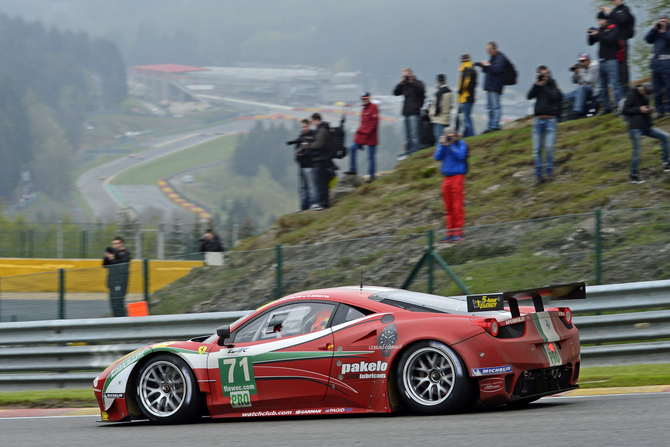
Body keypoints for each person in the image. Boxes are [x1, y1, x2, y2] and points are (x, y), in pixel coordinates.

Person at [622, 82, 670, 184]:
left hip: (646, 126)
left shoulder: (645, 95)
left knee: (665, 136)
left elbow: (644, 109)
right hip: (634, 128)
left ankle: (666, 162)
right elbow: (625, 110)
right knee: (637, 151)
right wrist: (639, 109)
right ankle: (633, 175)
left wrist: (649, 110)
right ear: (641, 89)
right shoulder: (631, 95)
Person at [527, 66, 563, 186]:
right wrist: (536, 84)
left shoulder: (553, 85)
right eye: (542, 74)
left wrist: (545, 85)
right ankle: (538, 176)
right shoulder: (538, 86)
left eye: (547, 74)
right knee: (537, 149)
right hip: (538, 121)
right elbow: (529, 96)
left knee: (549, 147)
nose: (545, 76)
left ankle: (549, 172)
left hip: (550, 121)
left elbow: (555, 96)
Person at [434, 130, 468, 243]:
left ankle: (458, 232)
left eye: (451, 134)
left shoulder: (461, 144)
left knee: (457, 206)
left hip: (457, 177)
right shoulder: (443, 144)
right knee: (448, 207)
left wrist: (452, 145)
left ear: (456, 134)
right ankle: (450, 232)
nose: (449, 137)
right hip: (446, 178)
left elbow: (461, 156)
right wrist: (443, 145)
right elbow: (437, 157)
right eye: (447, 135)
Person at [588, 11, 624, 116]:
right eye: (598, 20)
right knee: (603, 87)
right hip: (601, 61)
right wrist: (590, 34)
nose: (600, 22)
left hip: (612, 60)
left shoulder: (613, 28)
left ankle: (619, 106)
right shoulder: (599, 30)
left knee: (615, 84)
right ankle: (607, 107)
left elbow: (609, 40)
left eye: (601, 20)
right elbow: (590, 43)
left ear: (606, 20)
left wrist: (598, 34)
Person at [601, 0, 635, 93]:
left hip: (623, 40)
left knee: (623, 63)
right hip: (614, 42)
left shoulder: (625, 9)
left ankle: (626, 87)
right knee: (616, 65)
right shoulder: (614, 11)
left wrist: (611, 12)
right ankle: (620, 88)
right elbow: (610, 24)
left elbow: (622, 20)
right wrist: (602, 15)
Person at [344, 92, 379, 182]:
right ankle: (353, 169)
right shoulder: (364, 108)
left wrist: (364, 132)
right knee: (352, 148)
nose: (364, 100)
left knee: (371, 157)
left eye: (366, 98)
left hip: (371, 136)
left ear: (369, 98)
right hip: (363, 135)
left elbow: (374, 123)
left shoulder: (374, 107)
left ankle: (372, 176)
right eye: (363, 99)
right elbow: (364, 123)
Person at [393, 68, 425, 159]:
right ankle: (409, 151)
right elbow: (395, 93)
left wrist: (412, 82)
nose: (405, 77)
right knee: (408, 135)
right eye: (404, 75)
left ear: (411, 75)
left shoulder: (418, 83)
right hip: (406, 112)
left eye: (406, 75)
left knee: (414, 134)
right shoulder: (404, 85)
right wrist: (401, 83)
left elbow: (421, 90)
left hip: (414, 112)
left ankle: (415, 151)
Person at [477, 42, 508, 133]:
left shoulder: (501, 58)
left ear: (494, 49)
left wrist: (488, 65)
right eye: (487, 50)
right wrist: (484, 67)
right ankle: (490, 125)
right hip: (490, 86)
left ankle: (495, 125)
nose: (488, 52)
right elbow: (490, 70)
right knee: (489, 107)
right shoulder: (492, 58)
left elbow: (497, 69)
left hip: (495, 86)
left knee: (495, 107)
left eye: (489, 50)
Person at [303, 113, 331, 210]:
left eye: (313, 121)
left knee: (322, 182)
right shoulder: (321, 129)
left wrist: (309, 145)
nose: (313, 124)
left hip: (322, 159)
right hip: (320, 159)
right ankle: (321, 202)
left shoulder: (322, 130)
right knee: (320, 182)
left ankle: (324, 203)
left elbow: (320, 144)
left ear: (316, 120)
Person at [287, 119, 316, 210]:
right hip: (302, 166)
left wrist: (304, 154)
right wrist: (297, 158)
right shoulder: (301, 137)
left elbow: (313, 151)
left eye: (305, 126)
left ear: (309, 126)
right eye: (302, 127)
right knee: (303, 188)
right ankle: (303, 207)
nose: (303, 128)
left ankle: (312, 206)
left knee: (311, 187)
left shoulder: (313, 137)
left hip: (310, 165)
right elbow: (296, 150)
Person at [645, 14, 670, 119]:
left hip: (667, 66)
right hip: (655, 65)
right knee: (657, 90)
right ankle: (659, 110)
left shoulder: (668, 32)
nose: (662, 22)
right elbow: (647, 39)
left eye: (664, 21)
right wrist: (653, 29)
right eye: (660, 21)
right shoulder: (656, 31)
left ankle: (668, 110)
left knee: (669, 89)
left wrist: (664, 32)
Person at [565, 53, 600, 119]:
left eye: (583, 61)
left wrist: (580, 72)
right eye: (581, 61)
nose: (582, 63)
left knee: (581, 87)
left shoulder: (595, 67)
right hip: (583, 91)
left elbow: (590, 81)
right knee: (564, 96)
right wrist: (574, 73)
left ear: (588, 60)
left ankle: (577, 111)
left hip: (594, 91)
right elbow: (574, 81)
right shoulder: (582, 68)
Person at [103, 236, 131, 317]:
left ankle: (121, 321)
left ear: (122, 244)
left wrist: (113, 260)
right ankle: (116, 320)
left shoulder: (125, 254)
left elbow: (122, 268)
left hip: (120, 283)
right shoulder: (114, 254)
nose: (115, 245)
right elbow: (105, 265)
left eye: (117, 243)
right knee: (113, 304)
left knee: (118, 304)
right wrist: (107, 257)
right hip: (112, 282)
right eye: (114, 244)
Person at [457, 54, 477, 137]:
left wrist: (460, 91)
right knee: (467, 117)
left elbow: (465, 82)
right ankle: (466, 135)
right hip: (471, 96)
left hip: (465, 96)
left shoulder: (466, 69)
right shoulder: (473, 69)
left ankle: (471, 135)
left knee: (466, 119)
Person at [429, 74, 453, 143]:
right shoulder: (450, 91)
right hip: (447, 118)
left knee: (440, 140)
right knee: (448, 139)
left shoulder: (439, 92)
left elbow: (438, 106)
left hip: (439, 119)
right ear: (445, 80)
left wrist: (434, 113)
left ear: (437, 81)